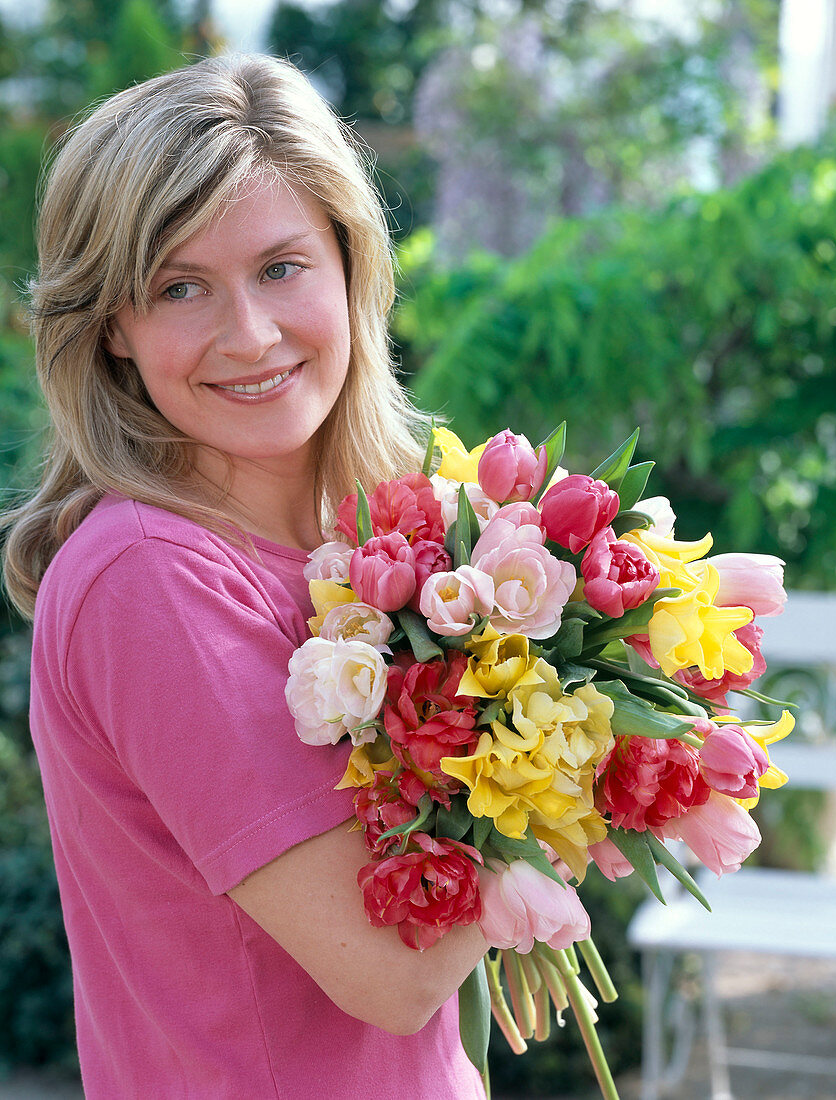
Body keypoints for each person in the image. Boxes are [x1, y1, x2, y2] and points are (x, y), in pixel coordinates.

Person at [2, 53, 487, 1099]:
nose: (251, 334)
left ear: (350, 265)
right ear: (115, 329)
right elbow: (393, 970)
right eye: (181, 286)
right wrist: (599, 747)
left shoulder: (373, 543)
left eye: (280, 267)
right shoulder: (152, 578)